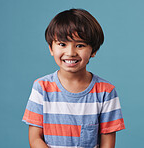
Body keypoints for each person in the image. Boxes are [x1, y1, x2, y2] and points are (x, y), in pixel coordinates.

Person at [22, 8, 125, 148]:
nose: (70, 53)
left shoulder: (106, 92)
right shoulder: (41, 87)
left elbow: (107, 144)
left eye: (80, 45)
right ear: (51, 48)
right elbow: (35, 139)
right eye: (62, 44)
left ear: (93, 51)